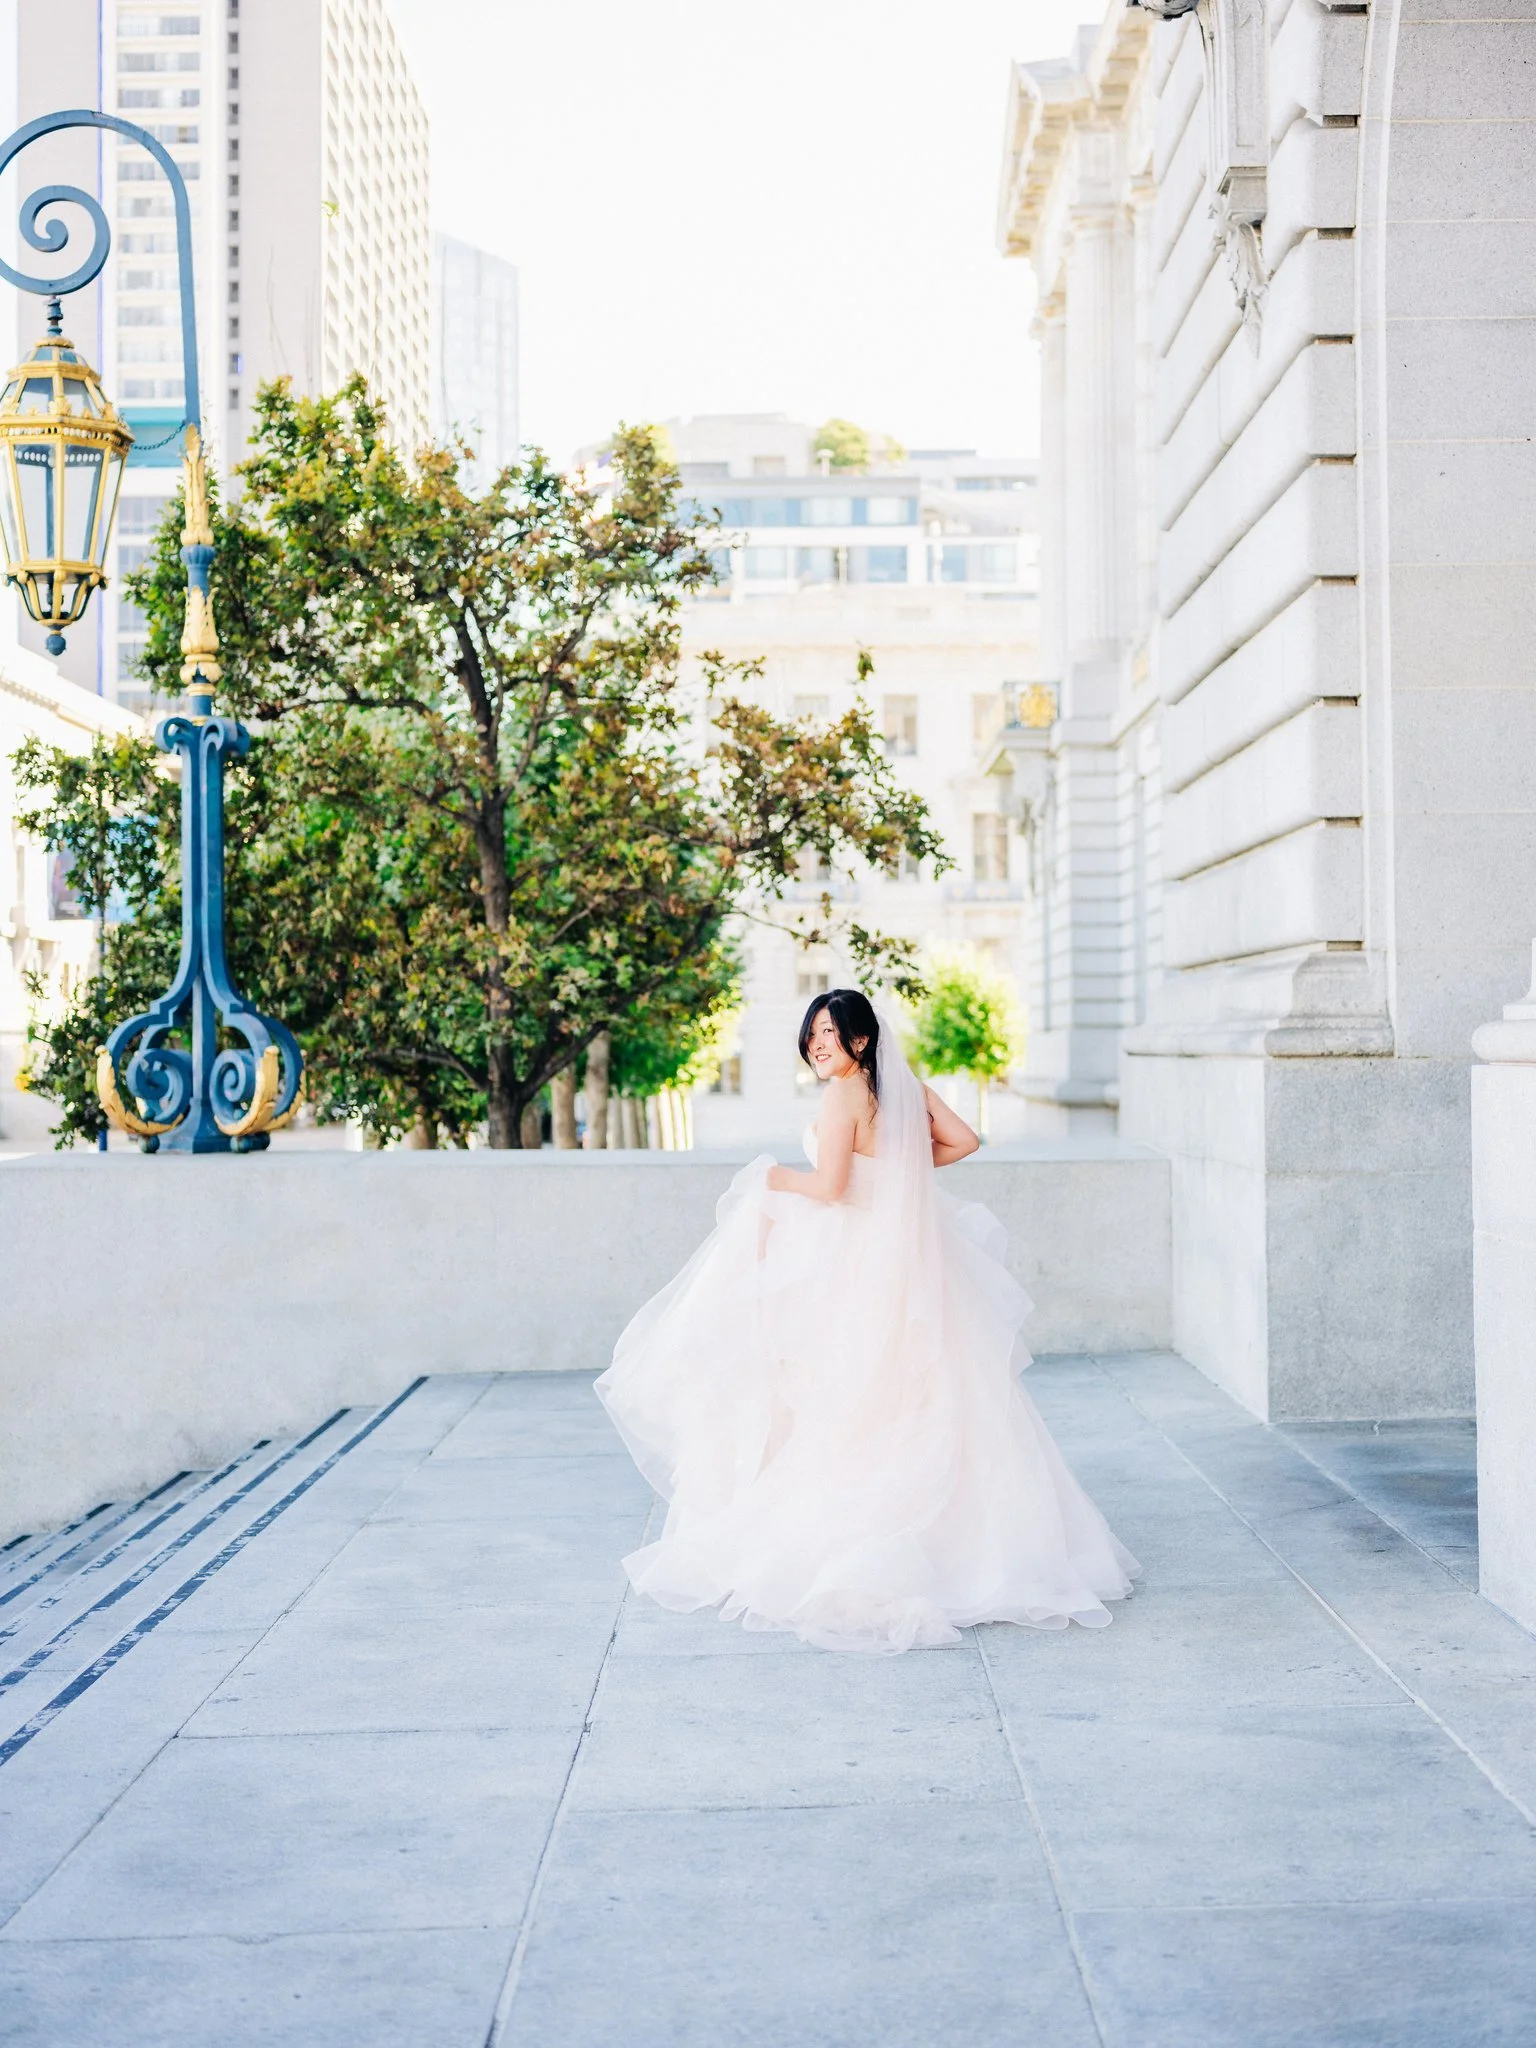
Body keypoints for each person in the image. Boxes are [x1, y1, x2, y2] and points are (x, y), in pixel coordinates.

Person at [595, 987, 1139, 1653]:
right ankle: (980, 1546)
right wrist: (903, 1169)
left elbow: (827, 1188)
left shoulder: (841, 1096)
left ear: (860, 1040)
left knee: (851, 1396)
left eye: (831, 1032)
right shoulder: (904, 1087)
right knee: (941, 1389)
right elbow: (966, 1140)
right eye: (813, 1033)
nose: (819, 1044)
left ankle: (870, 1542)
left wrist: (769, 1177)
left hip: (855, 1258)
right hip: (912, 1256)